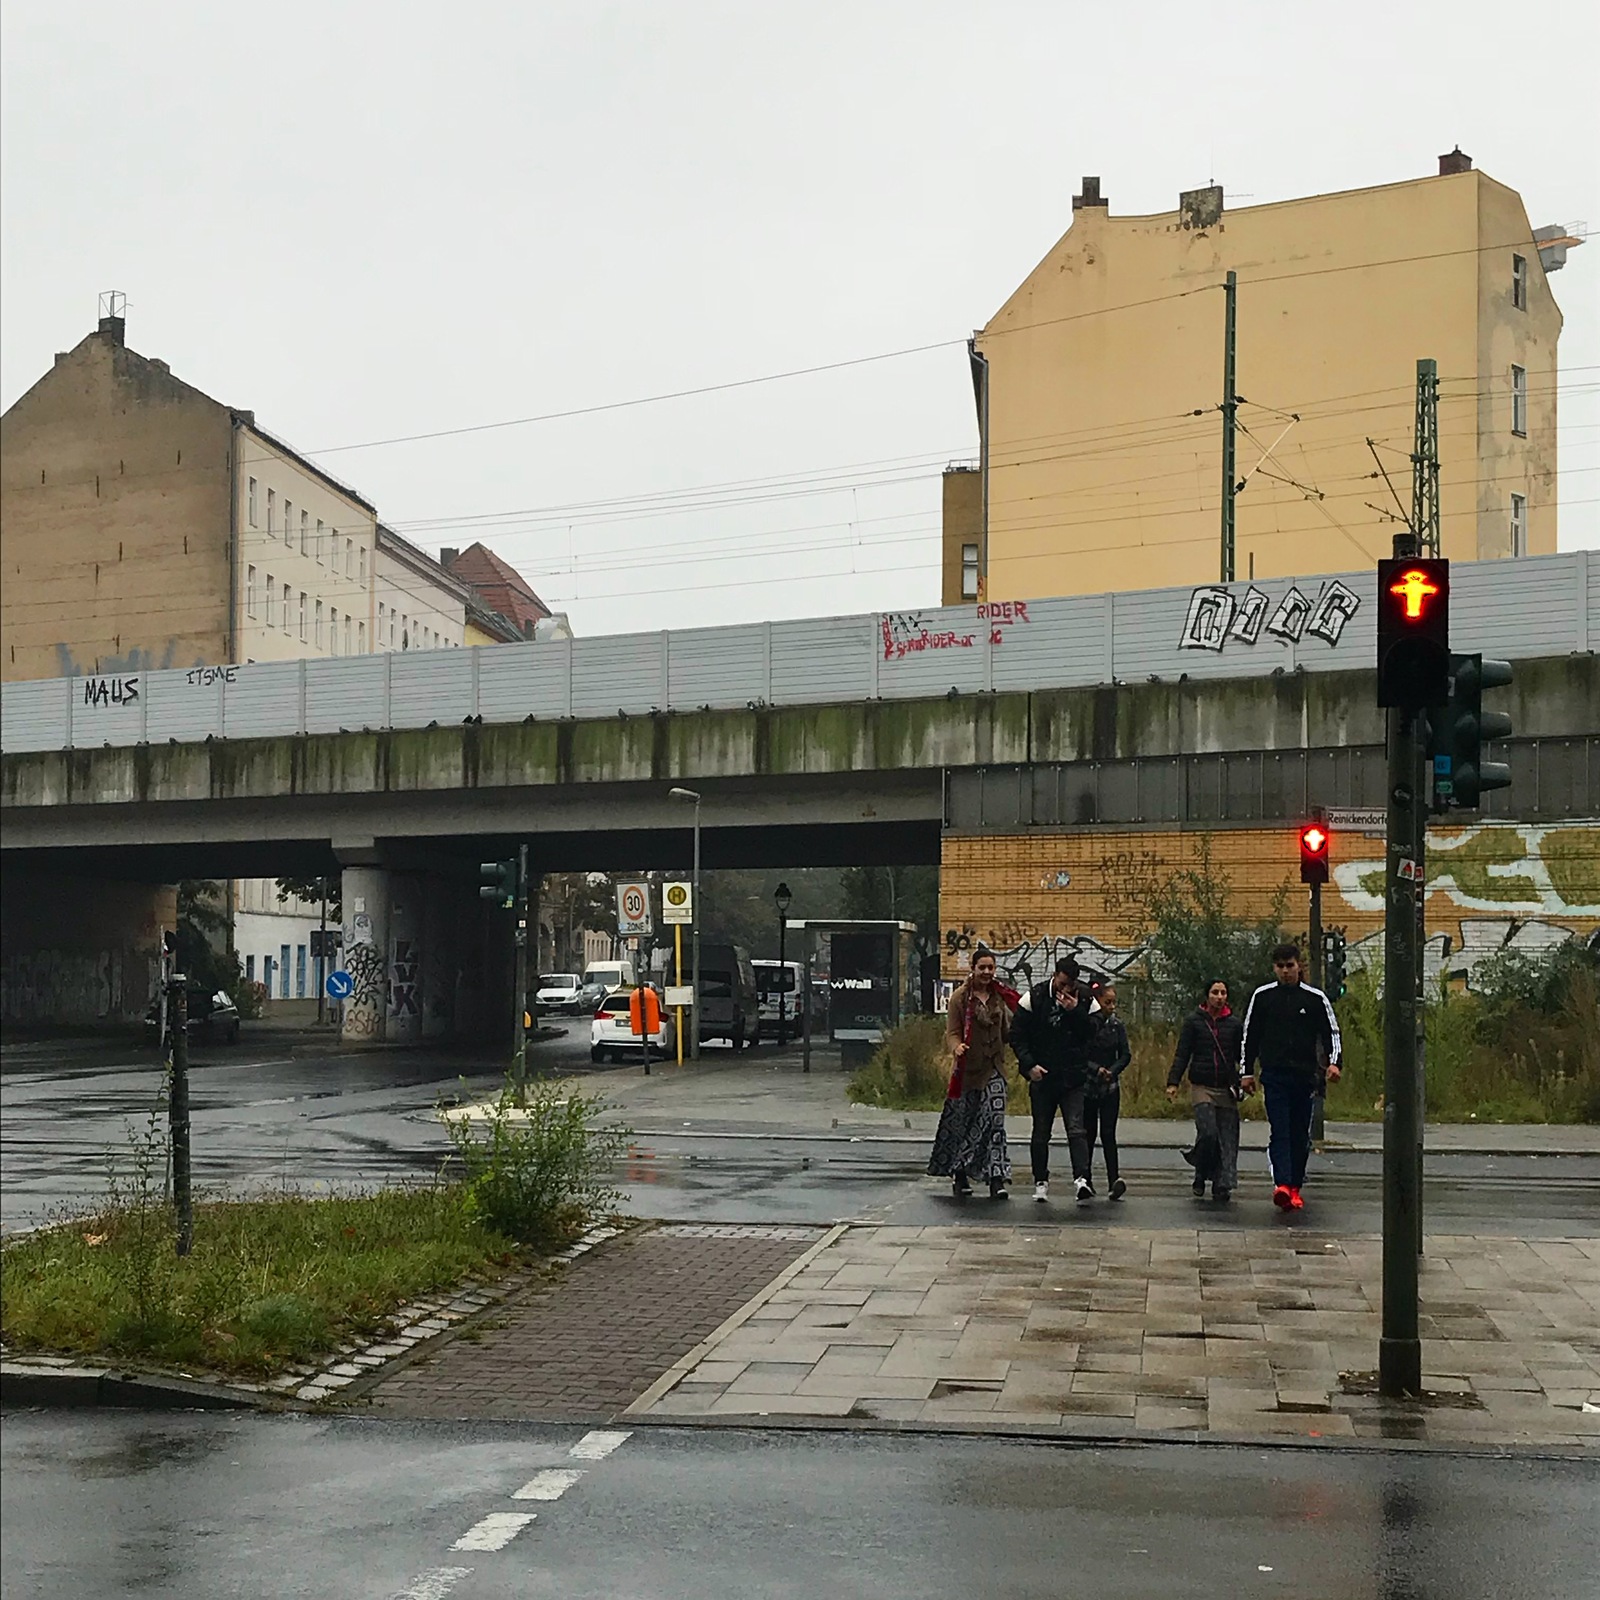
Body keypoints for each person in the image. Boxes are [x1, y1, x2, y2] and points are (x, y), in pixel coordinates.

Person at [1241, 942, 1342, 1212]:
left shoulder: (1314, 998)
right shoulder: (1263, 997)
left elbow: (1331, 1032)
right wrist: (1247, 1072)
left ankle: (1295, 1185)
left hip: (1305, 1076)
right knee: (1280, 1131)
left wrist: (1333, 1063)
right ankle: (1282, 1185)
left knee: (1300, 1135)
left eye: (1290, 966)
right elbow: (1250, 1036)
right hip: (1274, 1075)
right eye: (1280, 967)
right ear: (1274, 968)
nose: (1285, 971)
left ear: (1299, 966)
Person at [928, 946, 1013, 1199]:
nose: (987, 972)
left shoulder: (999, 998)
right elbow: (952, 1032)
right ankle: (961, 1173)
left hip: (994, 1069)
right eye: (982, 967)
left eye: (991, 968)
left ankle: (996, 1178)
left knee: (995, 1120)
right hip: (967, 1072)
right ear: (973, 969)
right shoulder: (960, 999)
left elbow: (1008, 1031)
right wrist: (957, 1048)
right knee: (965, 1123)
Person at [1013, 956, 1098, 1204]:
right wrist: (1029, 1066)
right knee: (1041, 1132)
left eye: (1070, 985)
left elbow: (1093, 1031)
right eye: (1062, 984)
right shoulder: (1035, 997)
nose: (1065, 990)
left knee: (1076, 1129)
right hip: (1043, 1076)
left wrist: (1075, 1012)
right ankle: (1040, 1181)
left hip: (1073, 1076)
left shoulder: (1084, 998)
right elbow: (1017, 1035)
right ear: (1055, 975)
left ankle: (1082, 1179)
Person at [1166, 978, 1245, 1202]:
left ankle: (1222, 1183)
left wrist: (1245, 1078)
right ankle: (1201, 1172)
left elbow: (1242, 1056)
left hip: (1226, 1087)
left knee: (1227, 1138)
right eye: (1215, 992)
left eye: (1223, 993)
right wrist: (1173, 1082)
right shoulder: (1194, 1022)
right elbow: (1183, 1054)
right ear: (1207, 996)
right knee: (1209, 1133)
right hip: (1202, 1086)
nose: (1219, 997)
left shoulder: (1234, 1024)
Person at [1083, 983, 1130, 1200]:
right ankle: (1085, 1178)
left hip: (1110, 1085)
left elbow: (1125, 1054)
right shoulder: (1087, 1025)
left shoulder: (1116, 1026)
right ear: (1097, 1002)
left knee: (1108, 1133)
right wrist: (1095, 1069)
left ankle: (1114, 1179)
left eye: (1113, 1002)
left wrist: (1113, 1070)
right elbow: (1079, 1054)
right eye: (1107, 1002)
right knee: (1088, 1133)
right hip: (1089, 1085)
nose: (1111, 1007)